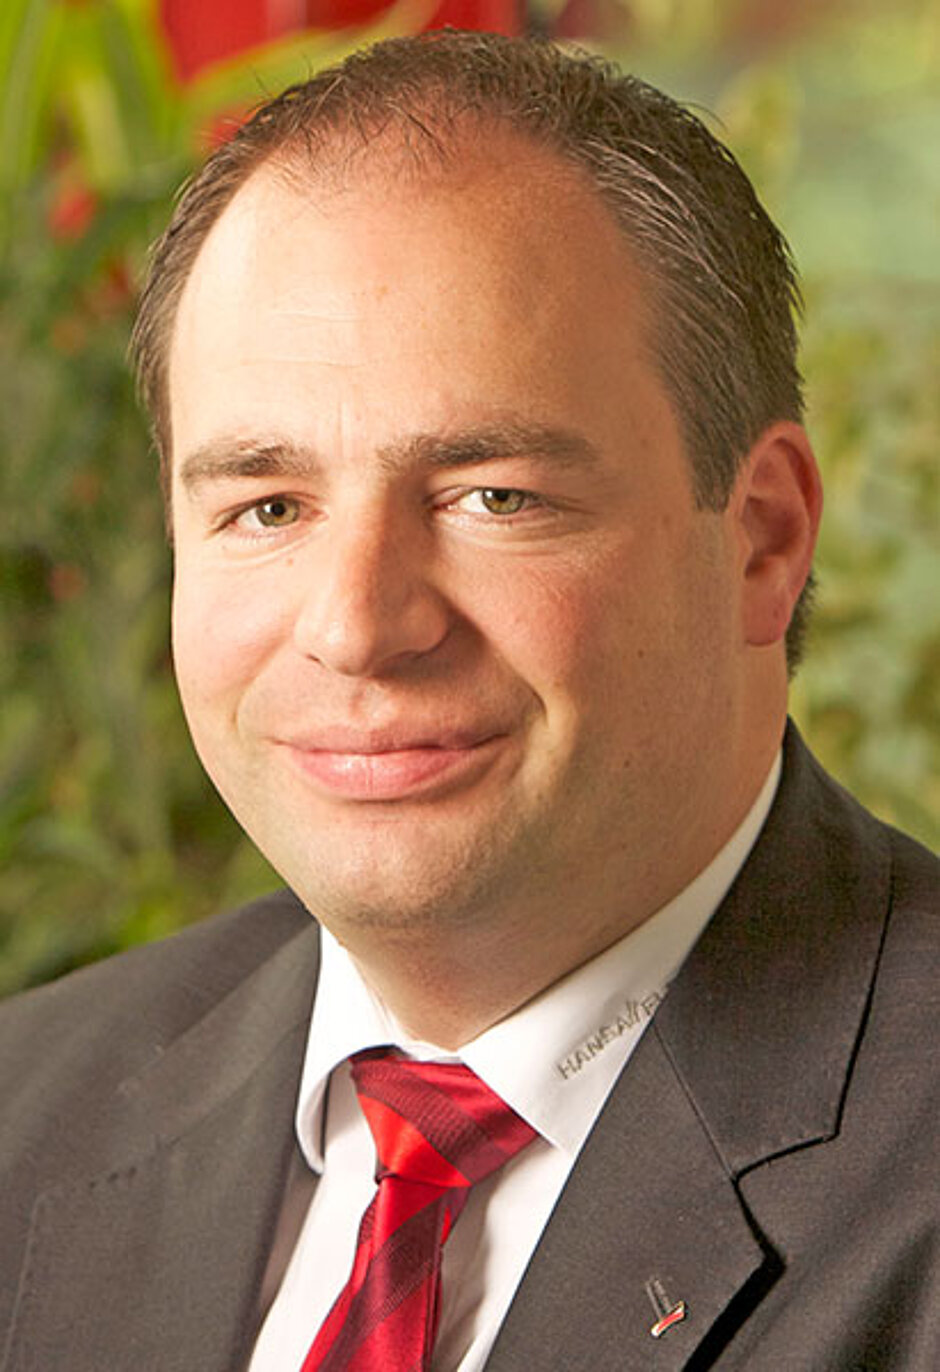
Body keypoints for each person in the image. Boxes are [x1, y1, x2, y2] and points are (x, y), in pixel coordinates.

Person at [1, 28, 937, 1372]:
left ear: (762, 539)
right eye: (268, 507)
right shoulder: (26, 1117)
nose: (355, 627)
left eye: (494, 497)